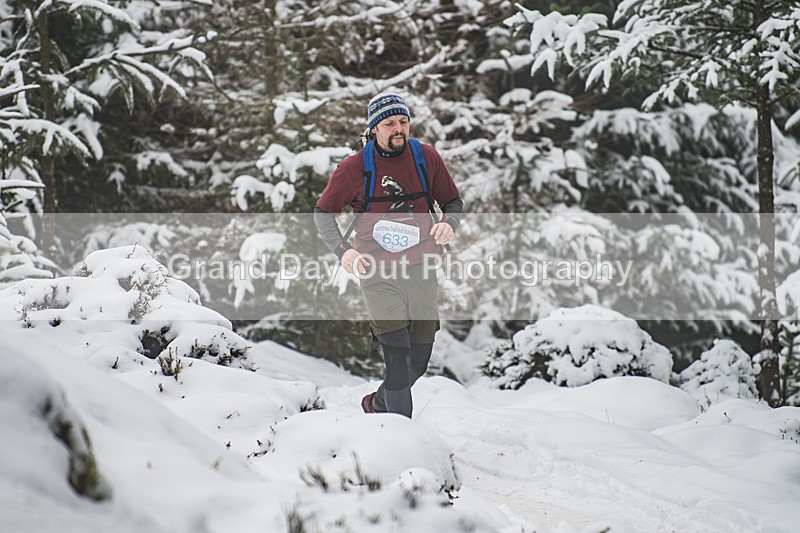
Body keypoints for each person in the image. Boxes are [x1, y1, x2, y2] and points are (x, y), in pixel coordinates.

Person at [313, 92, 463, 418]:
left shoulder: (425, 158)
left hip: (421, 268)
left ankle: (379, 403)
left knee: (418, 362)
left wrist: (449, 224)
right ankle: (401, 439)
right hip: (377, 272)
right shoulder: (354, 168)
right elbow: (323, 213)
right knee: (397, 361)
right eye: (390, 123)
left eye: (403, 121)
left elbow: (452, 201)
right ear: (374, 128)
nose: (399, 128)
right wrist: (343, 251)